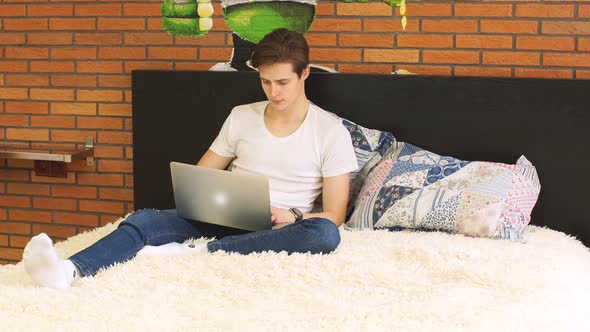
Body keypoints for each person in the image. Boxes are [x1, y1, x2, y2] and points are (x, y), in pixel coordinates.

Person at [22, 28, 358, 289]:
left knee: (324, 234)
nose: (274, 92)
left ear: (305, 74)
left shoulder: (329, 131)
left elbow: (335, 215)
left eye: (283, 81)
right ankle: (69, 269)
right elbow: (201, 176)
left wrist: (294, 215)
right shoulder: (242, 116)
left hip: (282, 227)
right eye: (266, 81)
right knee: (145, 219)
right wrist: (217, 199)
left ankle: (196, 252)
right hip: (225, 215)